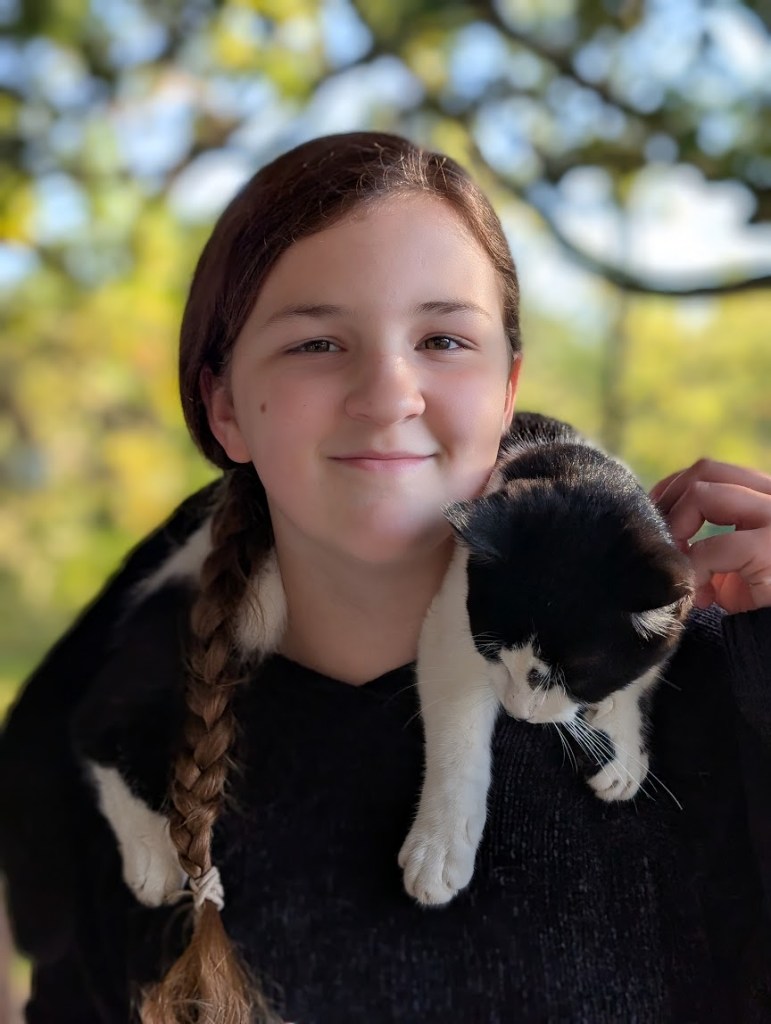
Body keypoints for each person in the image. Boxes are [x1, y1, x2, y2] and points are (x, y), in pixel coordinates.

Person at [0, 131, 770, 1024]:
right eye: (317, 343)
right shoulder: (130, 768)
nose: (387, 393)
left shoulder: (711, 685)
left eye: (442, 338)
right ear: (225, 408)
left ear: (507, 389)